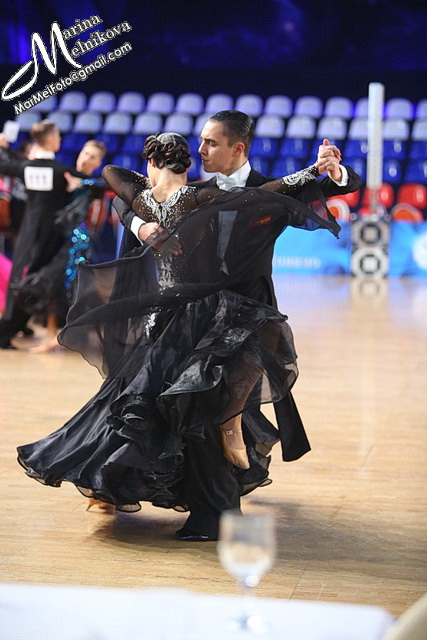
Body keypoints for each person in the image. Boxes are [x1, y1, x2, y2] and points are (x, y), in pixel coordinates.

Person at [17, 132, 341, 540]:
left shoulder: (147, 197)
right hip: (187, 316)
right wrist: (310, 171)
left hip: (176, 316)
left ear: (153, 162)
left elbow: (113, 173)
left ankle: (137, 488)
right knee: (168, 407)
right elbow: (269, 192)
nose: (203, 151)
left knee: (153, 405)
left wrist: (142, 219)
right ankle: (134, 487)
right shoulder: (199, 197)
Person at [113, 112, 362, 540]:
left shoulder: (270, 189)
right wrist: (140, 224)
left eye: (210, 143)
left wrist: (333, 170)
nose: (200, 150)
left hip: (248, 316)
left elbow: (340, 185)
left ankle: (215, 513)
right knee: (200, 408)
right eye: (201, 141)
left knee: (217, 408)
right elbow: (124, 193)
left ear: (238, 148)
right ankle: (211, 508)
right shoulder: (193, 191)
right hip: (195, 313)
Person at [0, 122, 101, 350]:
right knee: (36, 283)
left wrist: (2, 148)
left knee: (25, 280)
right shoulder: (61, 171)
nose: (60, 139)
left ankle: (9, 329)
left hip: (27, 234)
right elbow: (96, 187)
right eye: (57, 136)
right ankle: (9, 330)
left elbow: (5, 165)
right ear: (49, 139)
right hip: (52, 237)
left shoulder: (28, 167)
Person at [27, 139, 107, 353]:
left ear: (98, 163)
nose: (86, 159)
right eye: (85, 153)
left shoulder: (92, 185)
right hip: (59, 240)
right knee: (54, 284)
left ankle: (62, 335)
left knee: (67, 286)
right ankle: (53, 334)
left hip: (77, 243)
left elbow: (97, 205)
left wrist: (80, 184)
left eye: (92, 156)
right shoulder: (66, 177)